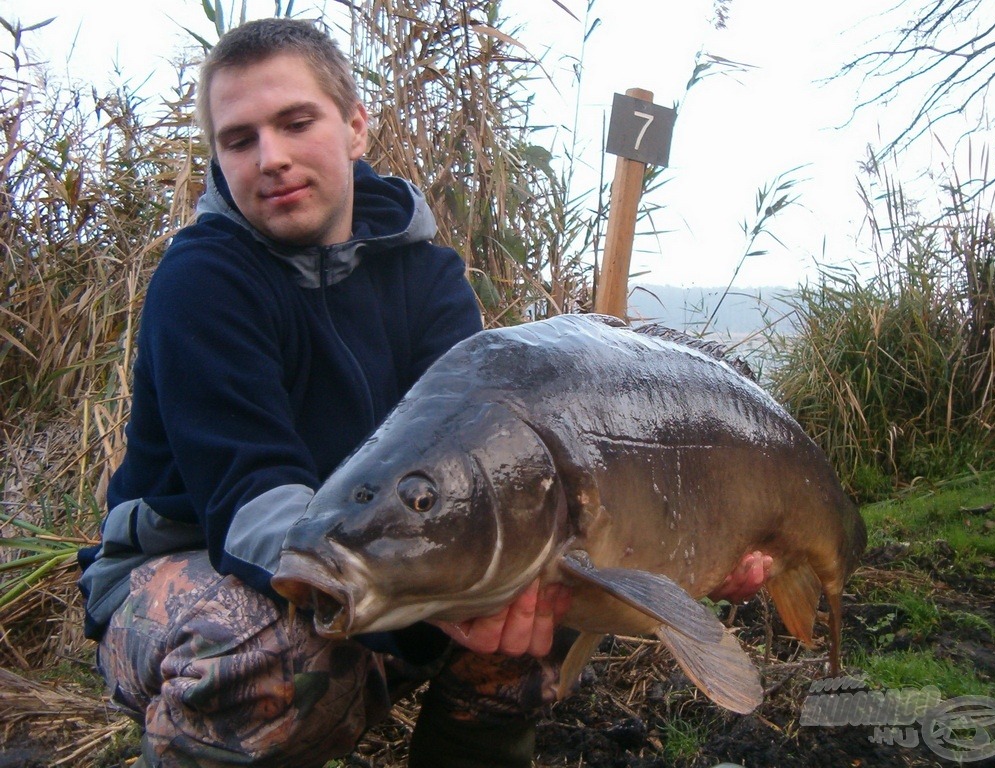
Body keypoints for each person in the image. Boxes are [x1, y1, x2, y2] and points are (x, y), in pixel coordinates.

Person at [78, 17, 769, 768]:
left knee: (536, 585)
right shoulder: (201, 284)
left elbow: (470, 460)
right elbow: (251, 502)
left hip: (373, 537)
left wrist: (693, 555)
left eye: (295, 122)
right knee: (269, 655)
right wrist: (407, 608)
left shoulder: (428, 276)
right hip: (189, 567)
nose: (270, 158)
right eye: (239, 139)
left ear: (354, 127)